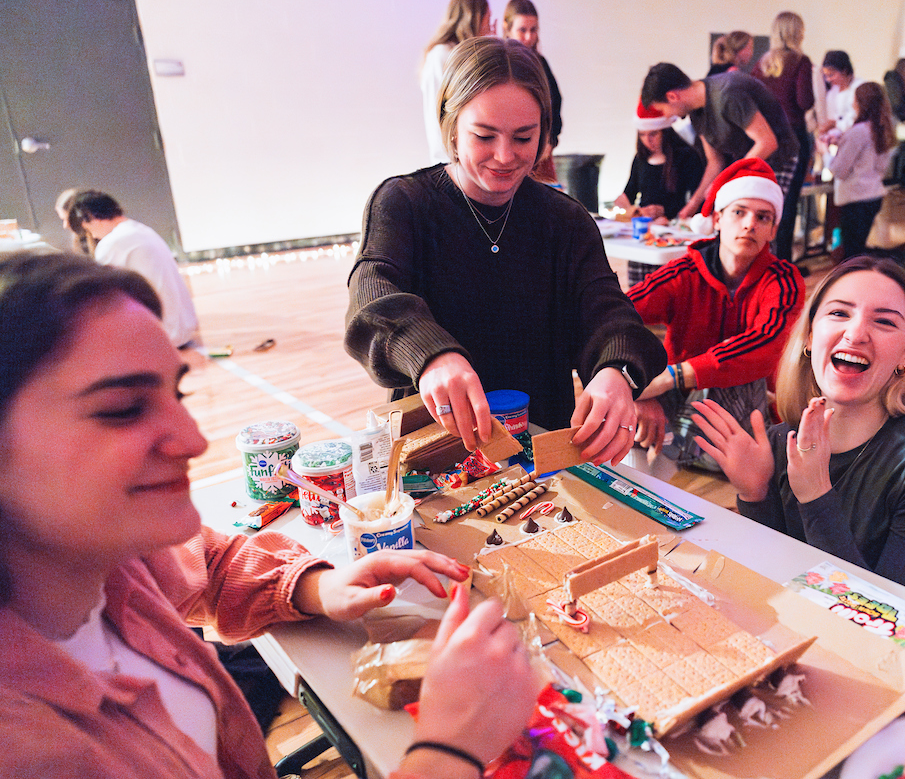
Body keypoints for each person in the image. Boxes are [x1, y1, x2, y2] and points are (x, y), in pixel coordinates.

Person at [0, 250, 541, 778]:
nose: (192, 439)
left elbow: (203, 565)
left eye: (177, 393)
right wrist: (449, 752)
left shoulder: (109, 559)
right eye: (123, 409)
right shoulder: (26, 747)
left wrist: (317, 588)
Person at [348, 37, 666, 464]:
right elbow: (372, 293)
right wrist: (431, 356)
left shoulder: (564, 221)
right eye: (484, 135)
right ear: (452, 125)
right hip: (431, 455)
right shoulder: (403, 203)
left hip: (539, 458)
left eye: (523, 137)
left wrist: (617, 372)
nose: (505, 156)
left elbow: (610, 314)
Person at [689, 256, 905, 614]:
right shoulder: (781, 443)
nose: (856, 333)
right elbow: (776, 585)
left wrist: (817, 496)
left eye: (883, 321)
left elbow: (889, 622)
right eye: (838, 314)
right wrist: (755, 494)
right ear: (808, 336)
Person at [627, 158, 806, 470]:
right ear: (718, 218)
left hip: (756, 406)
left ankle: (684, 456)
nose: (750, 224)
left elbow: (765, 346)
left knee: (737, 375)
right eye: (739, 212)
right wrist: (638, 390)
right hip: (678, 397)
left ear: (773, 229)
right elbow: (619, 314)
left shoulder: (785, 280)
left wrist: (672, 376)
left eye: (762, 217)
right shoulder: (683, 272)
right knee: (622, 410)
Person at [640, 61, 799, 223]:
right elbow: (715, 162)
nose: (666, 116)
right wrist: (693, 205)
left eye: (662, 110)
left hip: (778, 159)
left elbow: (767, 143)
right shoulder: (695, 112)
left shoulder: (727, 94)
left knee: (758, 225)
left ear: (672, 96)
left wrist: (725, 180)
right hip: (747, 162)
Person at [61, 190, 199, 349]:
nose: (94, 237)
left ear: (91, 218)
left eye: (89, 230)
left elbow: (99, 294)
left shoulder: (113, 242)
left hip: (162, 336)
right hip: (183, 329)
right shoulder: (142, 230)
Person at [612, 101, 706, 284]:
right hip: (645, 233)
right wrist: (633, 210)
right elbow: (626, 195)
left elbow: (695, 201)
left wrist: (664, 211)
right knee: (640, 286)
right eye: (643, 135)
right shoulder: (640, 159)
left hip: (674, 231)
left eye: (653, 134)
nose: (648, 141)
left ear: (665, 132)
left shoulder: (687, 157)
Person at [752, 11, 815, 261]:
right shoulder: (801, 62)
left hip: (766, 138)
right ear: (796, 32)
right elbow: (804, 100)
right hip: (794, 138)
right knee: (788, 204)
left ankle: (761, 259)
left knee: (766, 199)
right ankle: (784, 262)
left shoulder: (762, 63)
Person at [826, 83, 902, 262]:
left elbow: (839, 170)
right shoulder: (883, 130)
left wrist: (826, 151)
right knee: (858, 250)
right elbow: (880, 166)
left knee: (851, 257)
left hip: (855, 199)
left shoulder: (857, 132)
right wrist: (842, 143)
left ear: (859, 102)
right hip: (873, 197)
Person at [421, 0, 492, 165]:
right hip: (449, 162)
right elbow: (436, 114)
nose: (490, 27)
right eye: (488, 19)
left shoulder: (463, 55)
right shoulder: (441, 56)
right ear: (474, 18)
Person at [502, 0, 562, 182]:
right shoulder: (500, 65)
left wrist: (550, 141)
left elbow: (555, 103)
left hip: (541, 153)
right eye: (522, 30)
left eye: (533, 30)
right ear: (507, 28)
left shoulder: (540, 63)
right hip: (511, 153)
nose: (528, 37)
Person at [817, 50, 864, 143]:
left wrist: (835, 124)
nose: (828, 79)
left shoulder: (860, 88)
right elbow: (832, 118)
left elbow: (857, 118)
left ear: (844, 71)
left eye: (831, 75)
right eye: (825, 76)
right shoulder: (832, 92)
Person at [883, 58, 905, 122]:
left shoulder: (896, 79)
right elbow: (895, 97)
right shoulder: (893, 79)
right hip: (894, 111)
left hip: (895, 111)